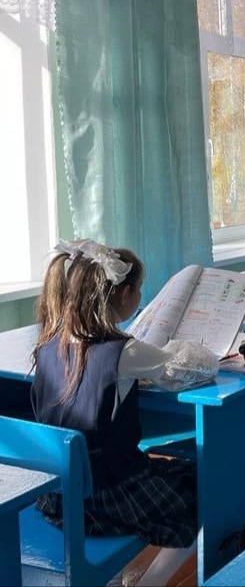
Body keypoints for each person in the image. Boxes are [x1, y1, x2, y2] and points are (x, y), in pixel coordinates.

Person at [30, 239, 197, 587]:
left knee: (166, 469)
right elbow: (187, 367)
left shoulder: (46, 344)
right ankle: (150, 584)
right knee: (203, 485)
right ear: (124, 294)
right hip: (108, 498)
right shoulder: (124, 351)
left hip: (57, 498)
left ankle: (114, 578)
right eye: (139, 289)